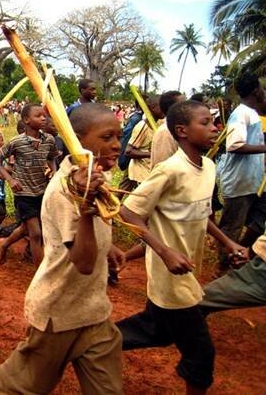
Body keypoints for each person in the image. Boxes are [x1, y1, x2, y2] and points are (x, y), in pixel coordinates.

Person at [0, 104, 125, 395]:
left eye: (119, 137)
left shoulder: (97, 176)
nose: (116, 145)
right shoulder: (66, 190)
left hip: (94, 311)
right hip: (58, 312)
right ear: (76, 139)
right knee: (25, 384)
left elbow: (95, 234)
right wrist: (87, 214)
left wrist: (108, 244)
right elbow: (84, 263)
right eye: (107, 138)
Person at [118, 100, 248, 394]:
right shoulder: (170, 170)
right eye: (205, 123)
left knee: (156, 330)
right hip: (172, 277)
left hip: (188, 271)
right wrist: (164, 252)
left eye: (214, 122)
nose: (215, 128)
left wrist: (227, 242)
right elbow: (129, 212)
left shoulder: (210, 167)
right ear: (182, 131)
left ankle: (93, 343)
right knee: (201, 356)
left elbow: (202, 213)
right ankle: (95, 343)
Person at [0, 104, 59, 265]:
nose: (43, 118)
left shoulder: (49, 140)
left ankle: (4, 245)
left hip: (41, 190)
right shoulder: (17, 142)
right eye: (38, 116)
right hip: (23, 193)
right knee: (36, 233)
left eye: (44, 115)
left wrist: (54, 172)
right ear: (26, 120)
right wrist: (10, 179)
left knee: (25, 228)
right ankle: (41, 276)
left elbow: (51, 158)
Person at [217, 72, 266, 254]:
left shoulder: (252, 114)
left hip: (253, 182)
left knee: (260, 220)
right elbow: (235, 145)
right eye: (261, 87)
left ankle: (243, 253)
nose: (263, 90)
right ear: (256, 90)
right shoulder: (240, 114)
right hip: (239, 182)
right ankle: (223, 268)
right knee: (232, 228)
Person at [122, 97, 164, 192]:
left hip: (149, 168)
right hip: (140, 172)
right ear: (153, 108)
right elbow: (129, 151)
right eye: (161, 107)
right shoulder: (142, 127)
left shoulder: (160, 123)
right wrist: (151, 154)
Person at [150, 91, 185, 167]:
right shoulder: (166, 132)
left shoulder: (181, 129)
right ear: (171, 109)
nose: (188, 107)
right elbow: (163, 168)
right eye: (183, 105)